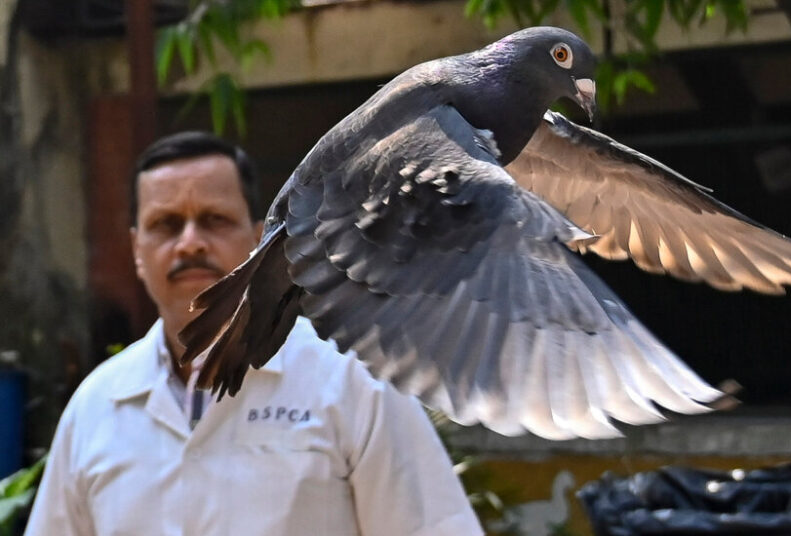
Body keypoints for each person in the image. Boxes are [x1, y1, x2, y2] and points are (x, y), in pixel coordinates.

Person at [26, 132, 484, 536]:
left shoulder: (351, 381)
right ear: (137, 250)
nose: (190, 242)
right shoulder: (95, 407)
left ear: (259, 238)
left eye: (213, 220)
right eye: (166, 225)